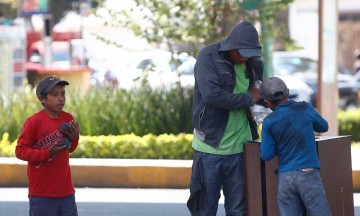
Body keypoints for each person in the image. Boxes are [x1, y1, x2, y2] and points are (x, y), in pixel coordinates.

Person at [187, 20, 263, 216]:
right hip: (210, 148)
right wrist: (248, 98)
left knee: (238, 210)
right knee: (205, 209)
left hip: (241, 148)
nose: (245, 59)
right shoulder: (208, 57)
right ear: (232, 47)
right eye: (242, 54)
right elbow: (212, 96)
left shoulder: (254, 64)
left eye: (250, 55)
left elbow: (258, 96)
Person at [259, 77, 331, 216]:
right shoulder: (304, 108)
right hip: (308, 173)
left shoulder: (269, 122)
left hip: (285, 178)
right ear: (288, 93)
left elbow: (266, 155)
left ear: (267, 102)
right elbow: (323, 126)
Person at [15, 76, 80, 216]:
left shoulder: (68, 119)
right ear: (42, 99)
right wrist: (47, 153)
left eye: (63, 94)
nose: (61, 98)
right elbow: (20, 151)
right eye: (55, 95)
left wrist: (74, 138)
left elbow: (71, 148)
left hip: (66, 193)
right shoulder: (34, 122)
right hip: (41, 194)